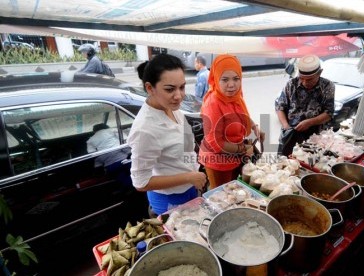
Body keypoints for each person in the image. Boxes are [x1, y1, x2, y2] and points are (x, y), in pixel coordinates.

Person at [127, 53, 207, 217]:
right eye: (170, 89)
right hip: (169, 198)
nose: (179, 96)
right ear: (150, 88)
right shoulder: (145, 129)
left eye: (182, 87)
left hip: (190, 187)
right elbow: (141, 183)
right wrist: (189, 177)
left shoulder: (172, 108)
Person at [198, 54, 265, 190]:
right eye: (225, 79)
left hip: (235, 157)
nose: (231, 85)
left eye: (236, 79)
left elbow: (241, 115)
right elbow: (216, 143)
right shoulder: (213, 103)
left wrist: (254, 126)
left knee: (234, 190)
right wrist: (244, 148)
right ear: (216, 79)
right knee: (221, 196)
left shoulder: (235, 97)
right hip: (218, 162)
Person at [275, 54, 335, 156]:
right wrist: (286, 126)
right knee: (284, 163)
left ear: (320, 73)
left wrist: (310, 122)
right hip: (290, 131)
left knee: (309, 163)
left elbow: (329, 113)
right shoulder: (291, 84)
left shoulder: (327, 86)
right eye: (301, 78)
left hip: (315, 136)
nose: (304, 82)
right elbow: (279, 106)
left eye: (309, 79)